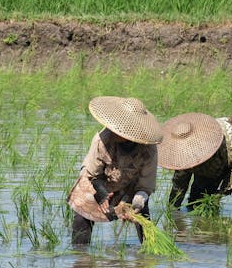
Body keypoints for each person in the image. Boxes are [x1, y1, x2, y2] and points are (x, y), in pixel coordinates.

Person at [67, 96, 163, 245]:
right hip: (99, 185)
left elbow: (145, 186)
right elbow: (90, 174)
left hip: (130, 188)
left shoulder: (148, 150)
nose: (112, 130)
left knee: (143, 217)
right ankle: (81, 258)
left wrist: (137, 202)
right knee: (81, 217)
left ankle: (147, 256)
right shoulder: (102, 140)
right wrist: (101, 193)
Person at [157, 112, 232, 212]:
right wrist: (173, 210)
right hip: (216, 158)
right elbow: (179, 184)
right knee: (195, 204)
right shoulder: (183, 154)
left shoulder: (210, 144)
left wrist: (219, 192)